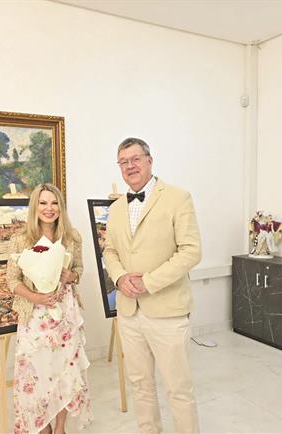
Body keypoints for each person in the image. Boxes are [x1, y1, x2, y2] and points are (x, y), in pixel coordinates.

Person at [103, 137, 202, 434]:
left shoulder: (178, 198)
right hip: (129, 312)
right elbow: (110, 250)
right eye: (123, 162)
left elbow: (191, 251)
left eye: (135, 159)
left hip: (167, 310)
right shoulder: (116, 207)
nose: (130, 166)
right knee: (140, 385)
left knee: (178, 389)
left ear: (149, 160)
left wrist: (148, 282)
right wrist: (120, 278)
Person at [7, 183, 92, 434]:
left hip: (66, 315)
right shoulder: (20, 239)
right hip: (34, 316)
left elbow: (79, 270)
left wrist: (71, 276)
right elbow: (12, 280)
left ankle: (61, 428)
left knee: (64, 372)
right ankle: (43, 429)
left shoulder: (72, 237)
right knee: (37, 374)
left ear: (61, 207)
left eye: (54, 203)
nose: (49, 208)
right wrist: (35, 297)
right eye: (43, 203)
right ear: (35, 206)